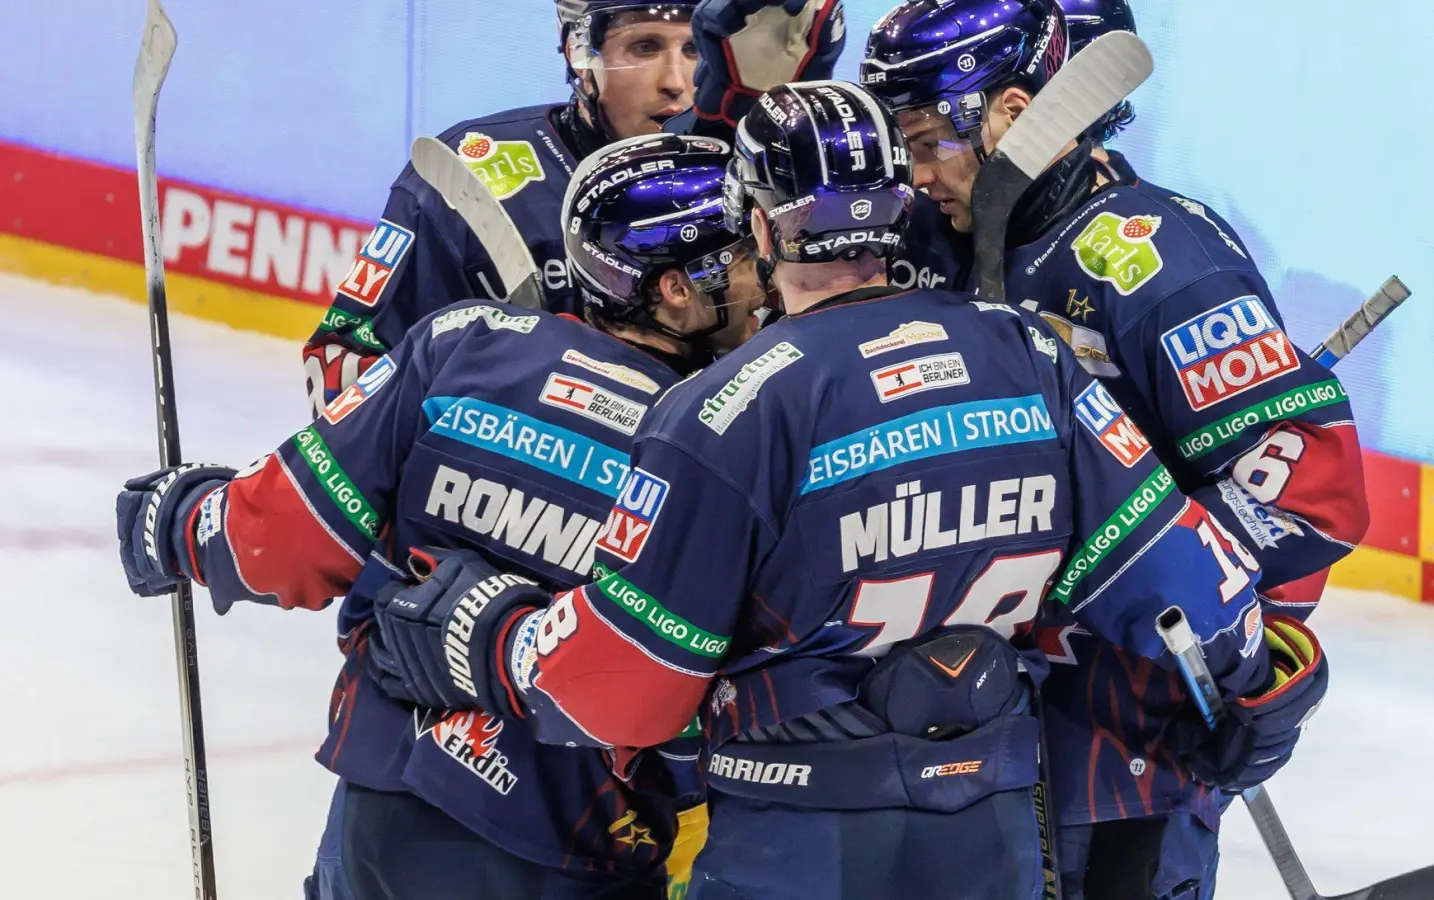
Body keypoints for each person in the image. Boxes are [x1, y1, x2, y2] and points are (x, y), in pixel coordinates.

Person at [361, 81, 1330, 900]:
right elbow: (1183, 584)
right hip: (991, 836)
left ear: (756, 229)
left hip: (796, 845)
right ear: (896, 205)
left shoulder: (724, 411)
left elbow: (627, 688)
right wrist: (1252, 691)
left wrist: (487, 635)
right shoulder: (1029, 356)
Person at [115, 134, 770, 900]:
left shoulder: (463, 344)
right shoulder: (720, 436)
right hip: (574, 844)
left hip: (384, 814)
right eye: (747, 259)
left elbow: (278, 541)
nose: (771, 279)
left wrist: (179, 517)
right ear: (674, 289)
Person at [860, 2, 1370, 897]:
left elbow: (1303, 490)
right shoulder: (925, 241)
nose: (915, 170)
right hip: (944, 734)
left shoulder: (1155, 259)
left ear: (1014, 115)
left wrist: (1260, 652)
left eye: (932, 138)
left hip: (1120, 744)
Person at [303, 0, 845, 416]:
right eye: (644, 47)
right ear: (579, 53)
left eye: (693, 49)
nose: (677, 83)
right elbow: (346, 367)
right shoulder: (473, 180)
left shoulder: (755, 171)